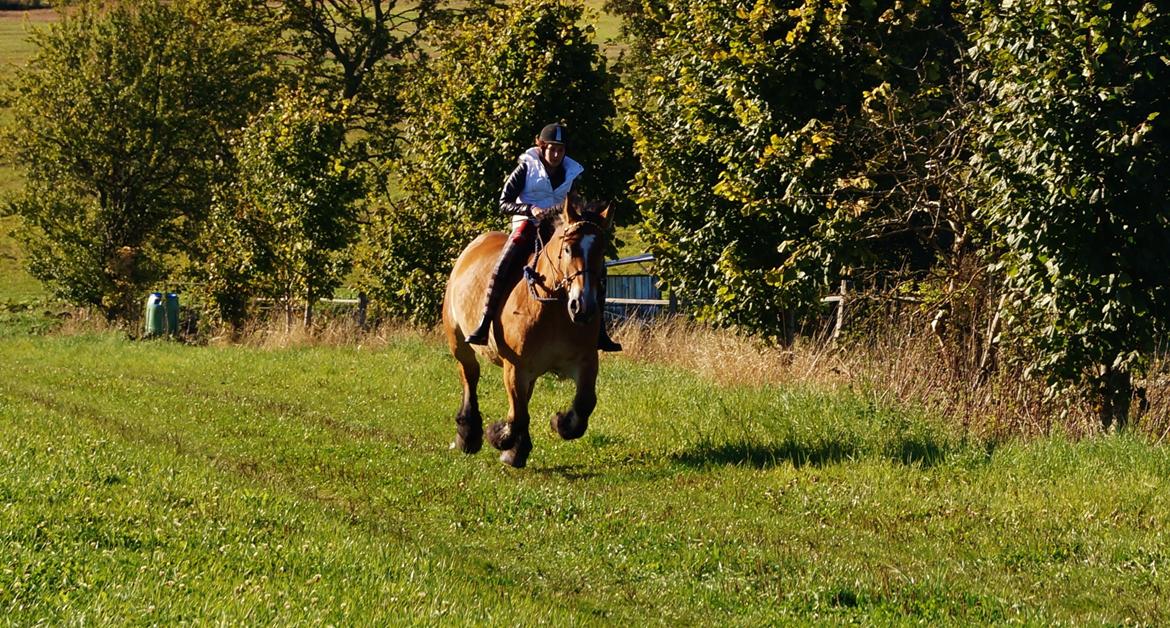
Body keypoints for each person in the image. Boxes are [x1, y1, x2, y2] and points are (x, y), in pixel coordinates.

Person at [464, 122, 622, 352]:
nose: (556, 154)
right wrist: (529, 210)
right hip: (528, 223)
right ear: (542, 146)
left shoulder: (571, 171)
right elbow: (503, 203)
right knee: (505, 261)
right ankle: (484, 322)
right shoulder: (526, 167)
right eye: (552, 149)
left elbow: (573, 201)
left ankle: (600, 332)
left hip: (558, 226)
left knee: (597, 267)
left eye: (561, 149)